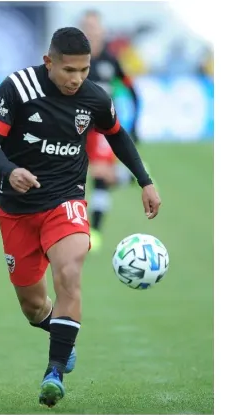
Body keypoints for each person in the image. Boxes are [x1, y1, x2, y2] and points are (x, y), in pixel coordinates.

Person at [0, 27, 161, 407]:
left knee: (69, 270)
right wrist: (11, 170)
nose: (77, 79)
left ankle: (54, 371)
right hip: (16, 209)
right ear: (49, 62)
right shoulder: (17, 88)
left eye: (84, 70)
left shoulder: (94, 97)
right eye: (69, 71)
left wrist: (145, 180)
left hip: (66, 200)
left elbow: (117, 135)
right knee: (32, 306)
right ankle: (58, 331)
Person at [79, 9, 143, 251]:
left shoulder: (110, 60)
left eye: (94, 26)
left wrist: (135, 124)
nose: (91, 31)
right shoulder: (75, 58)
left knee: (100, 175)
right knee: (79, 173)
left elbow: (133, 91)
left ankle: (94, 231)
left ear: (101, 30)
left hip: (103, 128)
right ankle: (133, 175)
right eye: (86, 26)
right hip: (78, 128)